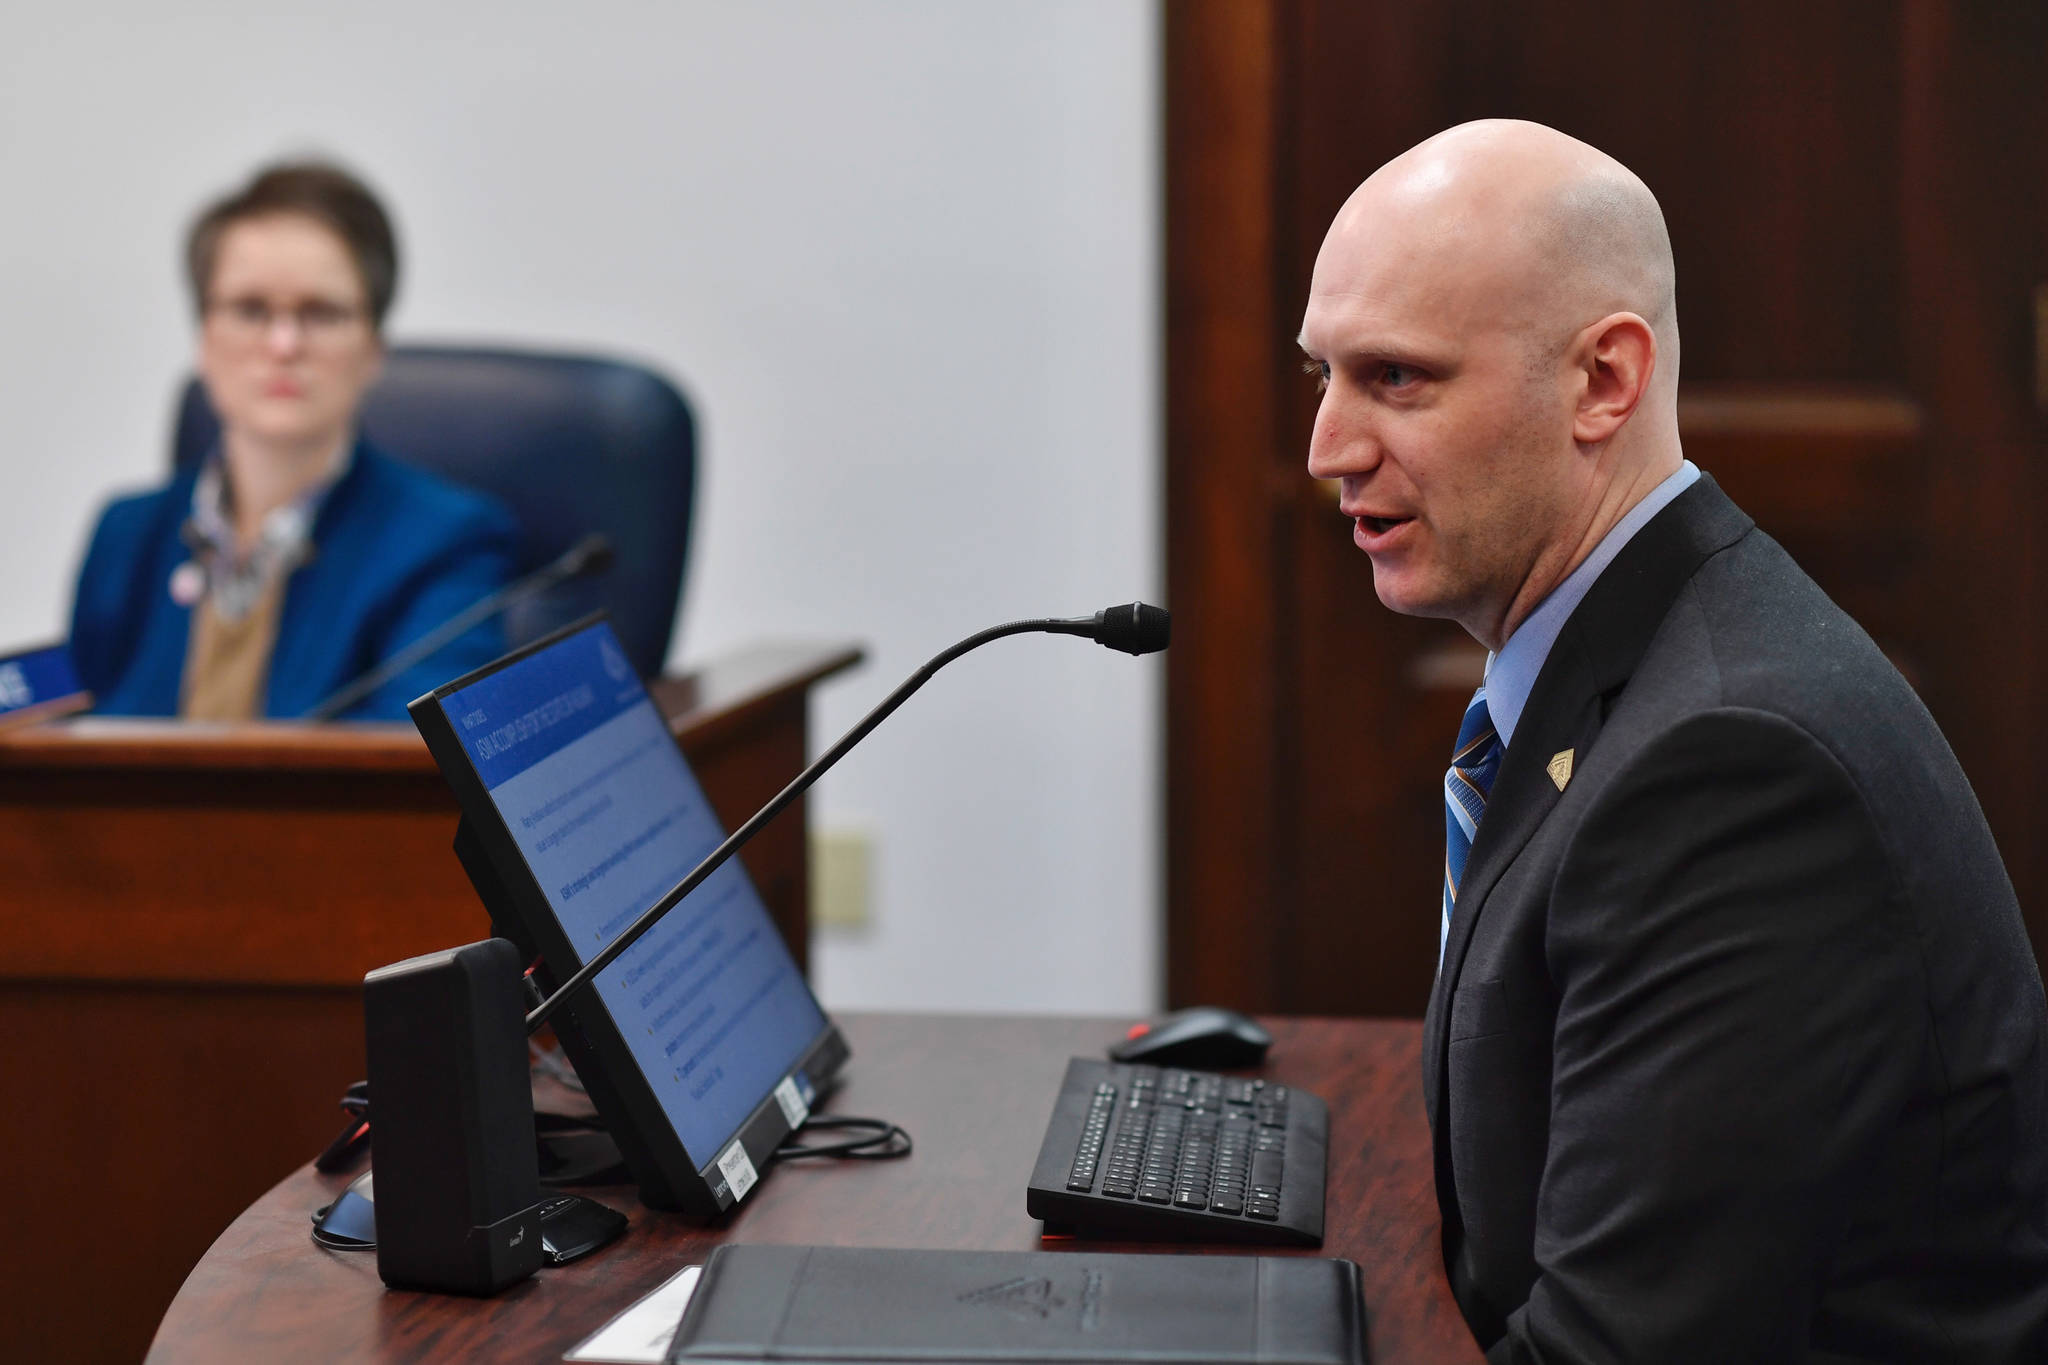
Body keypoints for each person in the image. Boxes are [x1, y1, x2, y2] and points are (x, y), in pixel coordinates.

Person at [1298, 119, 2048, 1361]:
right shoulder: (1627, 657)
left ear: (1603, 380)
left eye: (1397, 379)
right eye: (1320, 375)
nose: (1329, 449)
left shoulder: (1731, 766)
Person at [70, 162, 517, 720]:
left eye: (321, 313)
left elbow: (416, 778)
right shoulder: (126, 533)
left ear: (374, 348)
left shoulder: (447, 543)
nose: (283, 345)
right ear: (204, 340)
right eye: (251, 310)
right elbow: (65, 753)